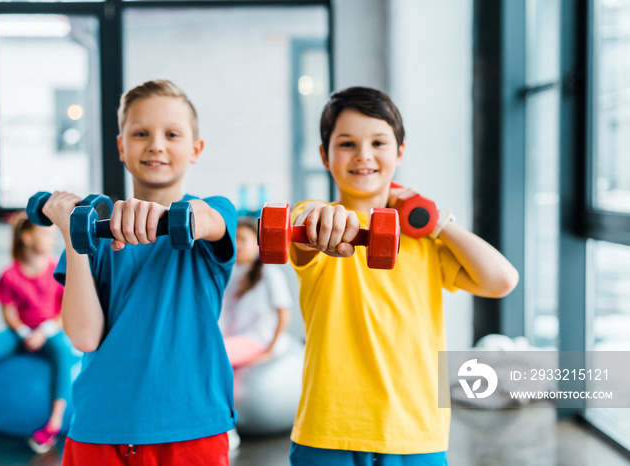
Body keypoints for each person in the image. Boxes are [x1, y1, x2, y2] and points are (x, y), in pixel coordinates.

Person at [287, 87, 519, 466]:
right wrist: (318, 214)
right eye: (347, 144)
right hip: (329, 428)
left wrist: (434, 220)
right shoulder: (321, 224)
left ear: (400, 153)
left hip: (414, 432)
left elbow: (502, 280)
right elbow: (305, 219)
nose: (363, 155)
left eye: (378, 142)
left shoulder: (425, 241)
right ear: (324, 156)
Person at [42, 79, 237, 466]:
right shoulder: (94, 230)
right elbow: (84, 335)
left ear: (196, 149)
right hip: (99, 426)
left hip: (190, 427)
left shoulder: (212, 212)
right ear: (121, 146)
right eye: (141, 133)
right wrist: (71, 233)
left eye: (172, 134)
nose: (156, 145)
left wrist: (167, 215)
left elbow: (208, 220)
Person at [0, 211, 71, 454]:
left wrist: (43, 333)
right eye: (46, 234)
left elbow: (65, 311)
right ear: (26, 237)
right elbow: (9, 314)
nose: (53, 240)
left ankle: (53, 425)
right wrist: (24, 333)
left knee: (64, 354)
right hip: (20, 333)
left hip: (49, 332)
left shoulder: (57, 269)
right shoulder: (9, 274)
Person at [220, 217, 292, 369]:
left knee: (214, 353)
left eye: (243, 239)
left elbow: (284, 315)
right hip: (234, 338)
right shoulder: (231, 273)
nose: (237, 244)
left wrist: (270, 350)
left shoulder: (269, 273)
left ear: (257, 243)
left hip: (256, 339)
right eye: (235, 239)